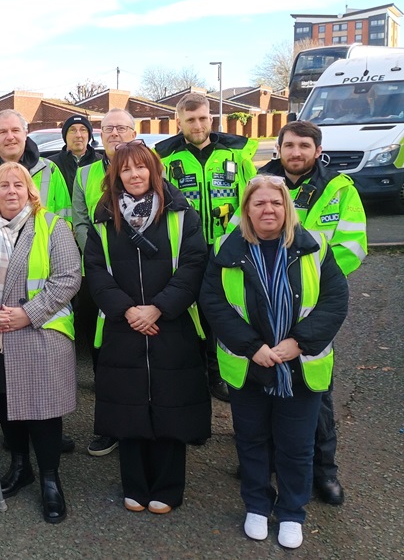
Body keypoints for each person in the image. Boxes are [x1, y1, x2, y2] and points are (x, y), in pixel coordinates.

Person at [199, 175, 348, 549]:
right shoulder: (224, 249)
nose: (268, 209)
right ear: (246, 210)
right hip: (250, 368)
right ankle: (256, 504)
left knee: (296, 446)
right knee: (252, 441)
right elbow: (214, 304)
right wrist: (252, 347)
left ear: (288, 208)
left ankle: (292, 512)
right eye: (259, 203)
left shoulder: (316, 247)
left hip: (300, 367)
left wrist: (299, 343)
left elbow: (334, 302)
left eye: (276, 203)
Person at [84, 140, 209, 515]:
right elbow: (96, 271)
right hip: (124, 327)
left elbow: (193, 265)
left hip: (172, 324)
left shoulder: (182, 214)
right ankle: (135, 485)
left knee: (171, 405)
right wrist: (128, 311)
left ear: (154, 171)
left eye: (141, 168)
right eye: (126, 169)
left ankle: (168, 487)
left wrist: (158, 308)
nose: (134, 175)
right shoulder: (104, 218)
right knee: (129, 407)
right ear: (116, 175)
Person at [258, 120, 367, 506]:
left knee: (314, 390)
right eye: (289, 146)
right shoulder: (260, 182)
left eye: (304, 146)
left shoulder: (338, 189)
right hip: (265, 302)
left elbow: (353, 245)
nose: (296, 153)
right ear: (279, 149)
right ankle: (268, 460)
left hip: (312, 304)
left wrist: (308, 277)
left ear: (317, 151)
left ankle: (324, 470)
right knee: (264, 384)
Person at [0, 162, 81, 523]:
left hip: (40, 330)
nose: (11, 191)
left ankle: (51, 479)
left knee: (43, 410)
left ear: (30, 190)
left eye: (19, 185)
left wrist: (28, 313)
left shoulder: (52, 226)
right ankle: (20, 466)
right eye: (4, 185)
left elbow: (67, 278)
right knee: (4, 403)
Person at [155, 92, 259, 402]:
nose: (197, 125)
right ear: (179, 122)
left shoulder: (237, 152)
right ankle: (193, 372)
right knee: (188, 310)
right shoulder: (163, 157)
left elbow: (251, 196)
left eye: (202, 118)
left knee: (223, 311)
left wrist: (238, 234)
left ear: (211, 118)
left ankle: (218, 373)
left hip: (228, 246)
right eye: (190, 120)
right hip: (186, 247)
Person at [72, 109, 136, 457]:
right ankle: (110, 428)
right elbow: (80, 223)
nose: (115, 133)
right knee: (105, 355)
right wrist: (100, 257)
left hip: (147, 277)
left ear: (133, 131)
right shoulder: (84, 175)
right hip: (101, 274)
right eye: (109, 128)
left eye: (122, 127)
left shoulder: (153, 165)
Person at [0, 110, 71, 225]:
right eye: (3, 132)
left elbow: (66, 220)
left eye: (15, 130)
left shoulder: (50, 170)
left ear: (25, 134)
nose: (10, 137)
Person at [49, 114, 101, 195]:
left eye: (83, 130)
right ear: (65, 135)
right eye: (72, 130)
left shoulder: (101, 162)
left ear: (89, 135)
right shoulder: (51, 165)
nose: (78, 135)